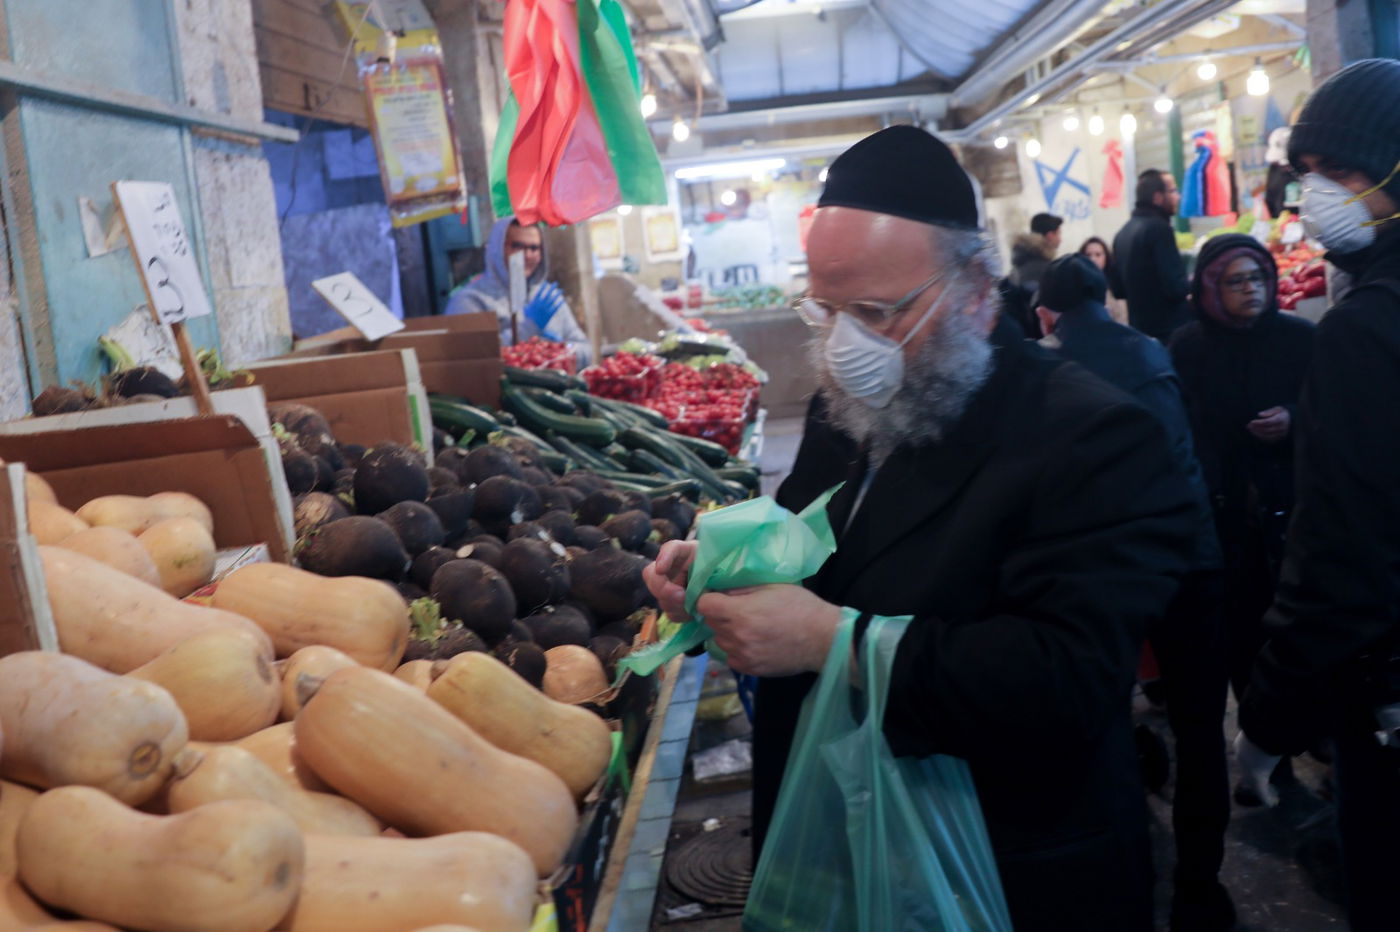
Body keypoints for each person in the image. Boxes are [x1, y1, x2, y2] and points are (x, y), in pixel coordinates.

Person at [645, 125, 1198, 930]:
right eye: (826, 309)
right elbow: (816, 548)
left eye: (874, 311)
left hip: (999, 867)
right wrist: (725, 571)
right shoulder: (851, 407)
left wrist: (834, 642)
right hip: (839, 838)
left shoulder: (1094, 437)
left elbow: (1067, 677)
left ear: (976, 290)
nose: (845, 344)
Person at [1235, 58, 1400, 932]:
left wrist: (1265, 724)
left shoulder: (1367, 331)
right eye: (1307, 175)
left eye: (1340, 174)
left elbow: (1341, 559)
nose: (1313, 197)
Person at [1035, 255, 1233, 930]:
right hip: (1192, 559)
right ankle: (1201, 888)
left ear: (1045, 314)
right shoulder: (1151, 352)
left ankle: (1130, 881)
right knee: (1202, 729)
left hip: (1110, 572)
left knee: (1105, 725)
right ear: (1105, 298)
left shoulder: (1049, 370)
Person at [1169, 234, 1314, 707]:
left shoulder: (1300, 339)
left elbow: (1334, 409)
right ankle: (1263, 751)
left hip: (1297, 509)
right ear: (1211, 289)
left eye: (1257, 278)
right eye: (1235, 281)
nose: (1251, 289)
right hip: (1227, 517)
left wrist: (1293, 418)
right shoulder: (1188, 348)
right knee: (1244, 630)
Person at [443, 216, 592, 364]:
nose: (527, 255)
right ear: (497, 248)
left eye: (534, 248)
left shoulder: (547, 297)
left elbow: (586, 350)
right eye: (517, 246)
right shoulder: (469, 301)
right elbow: (472, 361)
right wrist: (528, 328)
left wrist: (562, 350)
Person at [1110, 170, 1191, 342]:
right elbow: (1175, 288)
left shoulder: (1122, 233)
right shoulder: (1159, 229)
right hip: (1169, 332)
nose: (1178, 197)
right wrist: (1194, 282)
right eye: (1173, 191)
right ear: (1158, 197)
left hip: (1140, 332)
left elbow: (1118, 290)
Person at [1000, 212, 1062, 337]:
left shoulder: (1018, 267)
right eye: (1059, 234)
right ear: (1050, 236)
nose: (1061, 239)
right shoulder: (1048, 270)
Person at [1079, 236, 1129, 324]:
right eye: (1088, 255)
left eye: (1098, 255)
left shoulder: (1115, 285)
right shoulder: (1077, 287)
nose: (1093, 259)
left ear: (1106, 257)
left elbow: (1123, 318)